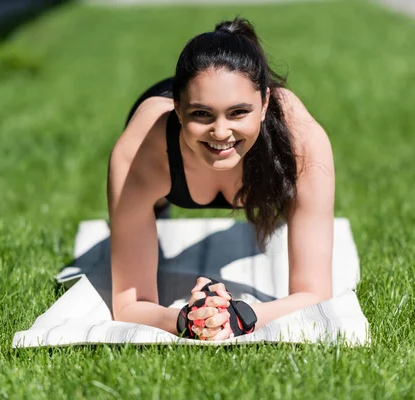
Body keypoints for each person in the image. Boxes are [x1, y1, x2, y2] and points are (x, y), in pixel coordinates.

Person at [107, 17, 335, 341]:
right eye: (202, 114)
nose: (221, 132)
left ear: (265, 103)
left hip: (265, 144)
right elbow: (130, 305)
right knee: (147, 216)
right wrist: (187, 318)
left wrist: (242, 316)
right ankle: (158, 203)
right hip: (165, 153)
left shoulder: (301, 141)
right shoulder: (138, 152)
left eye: (239, 112)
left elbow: (314, 292)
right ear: (177, 106)